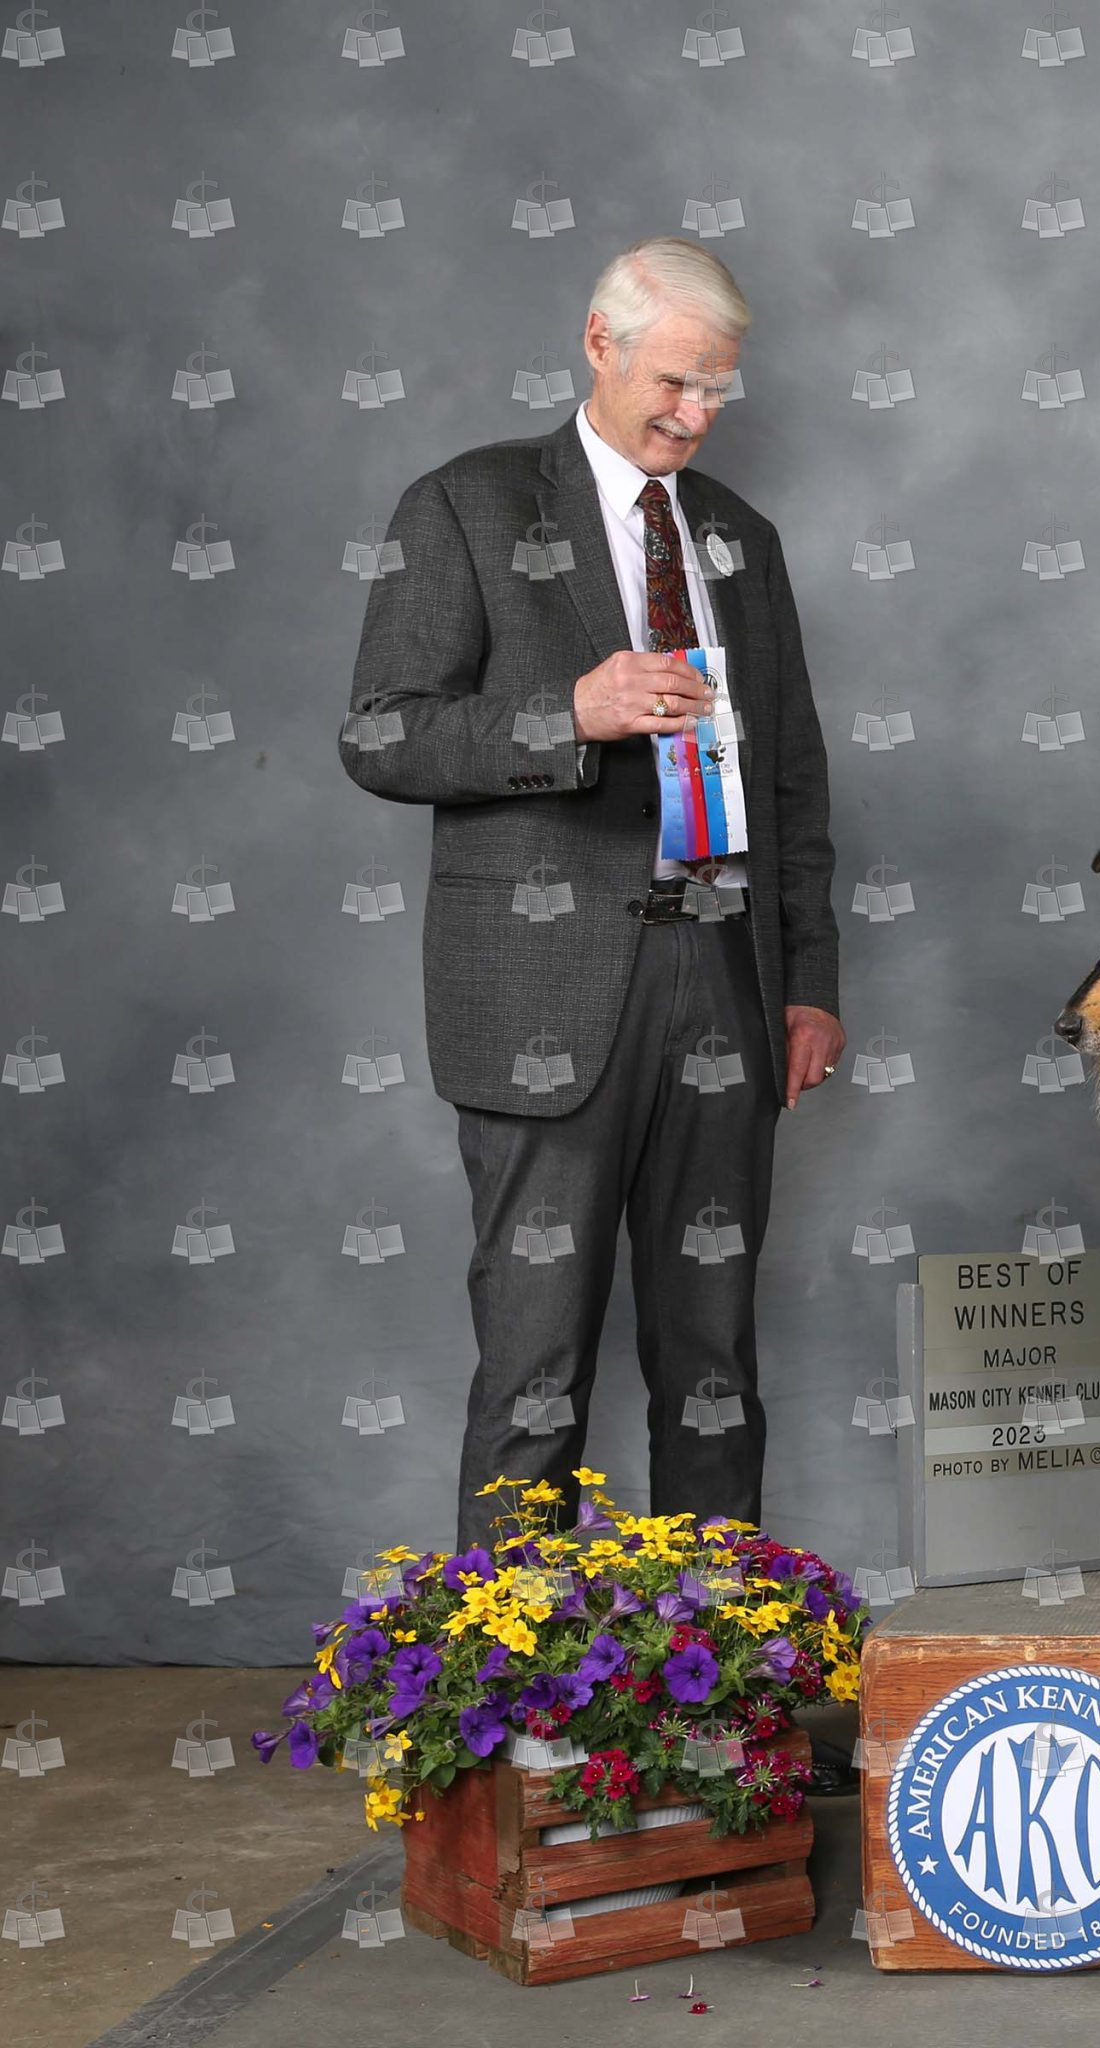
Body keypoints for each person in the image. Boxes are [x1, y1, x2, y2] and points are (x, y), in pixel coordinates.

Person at [342, 237, 845, 1553]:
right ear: (597, 344)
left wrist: (806, 983)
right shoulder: (466, 506)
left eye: (717, 388)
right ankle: (508, 1669)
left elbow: (792, 777)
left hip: (725, 984)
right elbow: (381, 736)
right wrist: (569, 710)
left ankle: (718, 1656)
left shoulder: (741, 538)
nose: (695, 414)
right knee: (535, 1368)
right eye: (675, 381)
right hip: (543, 995)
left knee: (715, 1363)